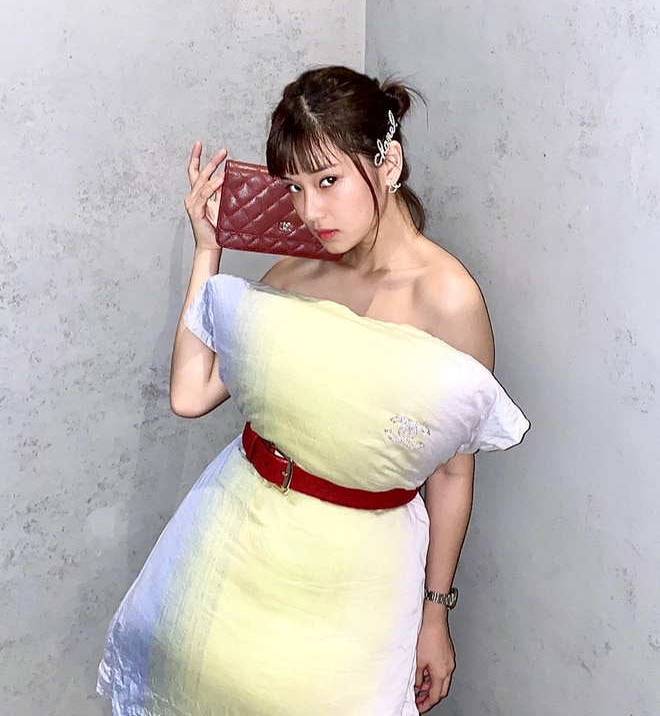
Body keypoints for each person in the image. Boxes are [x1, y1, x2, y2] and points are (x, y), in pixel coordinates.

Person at [97, 65, 529, 715]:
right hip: (234, 544)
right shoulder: (295, 273)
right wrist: (209, 249)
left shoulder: (449, 300)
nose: (310, 211)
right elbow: (190, 394)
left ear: (388, 162)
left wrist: (435, 615)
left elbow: (451, 473)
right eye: (294, 188)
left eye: (328, 181)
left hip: (356, 581)